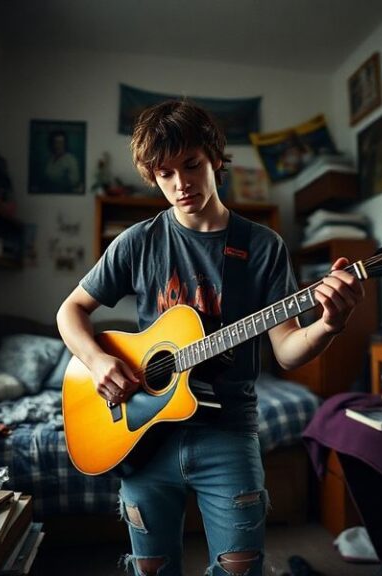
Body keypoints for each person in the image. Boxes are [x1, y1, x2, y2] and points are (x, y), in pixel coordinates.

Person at [56, 100, 364, 576]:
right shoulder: (137, 242)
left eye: (192, 165)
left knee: (241, 568)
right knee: (152, 568)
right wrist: (98, 360)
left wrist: (327, 325)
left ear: (216, 158)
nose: (181, 184)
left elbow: (285, 350)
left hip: (229, 432)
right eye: (164, 174)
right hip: (143, 434)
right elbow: (70, 310)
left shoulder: (262, 246)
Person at [44, 129, 82, 193]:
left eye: (61, 142)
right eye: (56, 142)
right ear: (52, 144)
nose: (59, 145)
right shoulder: (50, 158)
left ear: (65, 143)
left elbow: (75, 182)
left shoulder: (71, 160)